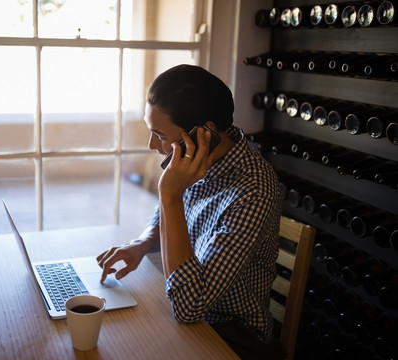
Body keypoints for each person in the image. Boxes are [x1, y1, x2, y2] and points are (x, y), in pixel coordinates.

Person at [97, 64, 285, 359]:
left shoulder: (253, 190)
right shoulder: (200, 155)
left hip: (230, 335)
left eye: (159, 135)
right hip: (191, 317)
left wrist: (169, 193)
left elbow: (188, 307)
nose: (152, 145)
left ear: (205, 132)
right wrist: (143, 242)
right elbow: (167, 219)